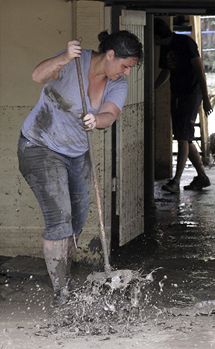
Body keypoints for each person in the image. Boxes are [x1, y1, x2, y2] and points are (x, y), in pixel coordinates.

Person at [17, 31, 143, 305]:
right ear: (110, 55)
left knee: (77, 218)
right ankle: (61, 293)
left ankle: (66, 277)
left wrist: (95, 119)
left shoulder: (117, 82)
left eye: (130, 68)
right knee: (59, 219)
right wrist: (63, 57)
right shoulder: (75, 62)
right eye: (125, 65)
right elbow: (38, 75)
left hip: (75, 152)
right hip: (40, 146)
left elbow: (110, 115)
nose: (127, 72)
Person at [154, 18, 213, 193]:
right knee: (184, 136)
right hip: (177, 93)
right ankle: (202, 177)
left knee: (182, 137)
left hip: (191, 93)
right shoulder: (166, 47)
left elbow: (200, 69)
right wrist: (153, 88)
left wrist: (205, 96)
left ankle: (176, 180)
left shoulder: (185, 42)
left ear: (158, 36)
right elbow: (167, 70)